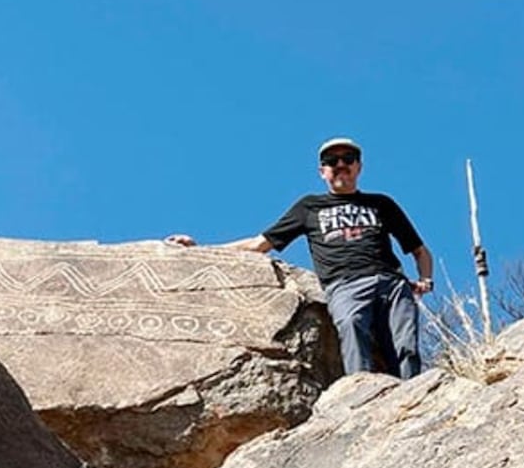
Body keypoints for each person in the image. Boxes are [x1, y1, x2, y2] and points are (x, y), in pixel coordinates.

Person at [166, 137, 433, 379]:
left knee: (405, 344)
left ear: (359, 167)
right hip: (345, 284)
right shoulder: (309, 207)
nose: (340, 165)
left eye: (348, 159)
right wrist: (200, 250)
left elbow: (420, 251)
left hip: (391, 282)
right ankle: (362, 392)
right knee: (351, 328)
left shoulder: (381, 204)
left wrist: (426, 279)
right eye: (332, 161)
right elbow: (260, 244)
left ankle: (411, 392)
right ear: (322, 171)